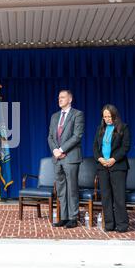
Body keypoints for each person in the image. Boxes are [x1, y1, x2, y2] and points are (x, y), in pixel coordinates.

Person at [48, 90, 84, 228]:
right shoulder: (54, 116)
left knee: (72, 189)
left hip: (71, 157)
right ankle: (63, 217)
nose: (59, 99)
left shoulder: (77, 114)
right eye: (58, 97)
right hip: (57, 158)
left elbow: (77, 136)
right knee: (61, 189)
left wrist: (62, 150)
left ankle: (73, 217)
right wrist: (55, 151)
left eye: (62, 97)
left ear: (70, 99)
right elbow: (50, 137)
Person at [93, 105, 130, 232]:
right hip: (103, 167)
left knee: (119, 197)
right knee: (106, 196)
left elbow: (125, 147)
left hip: (118, 166)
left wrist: (113, 159)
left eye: (109, 116)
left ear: (115, 116)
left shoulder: (123, 127)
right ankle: (109, 224)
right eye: (105, 117)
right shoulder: (100, 129)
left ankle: (122, 225)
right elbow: (95, 148)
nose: (107, 119)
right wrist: (100, 159)